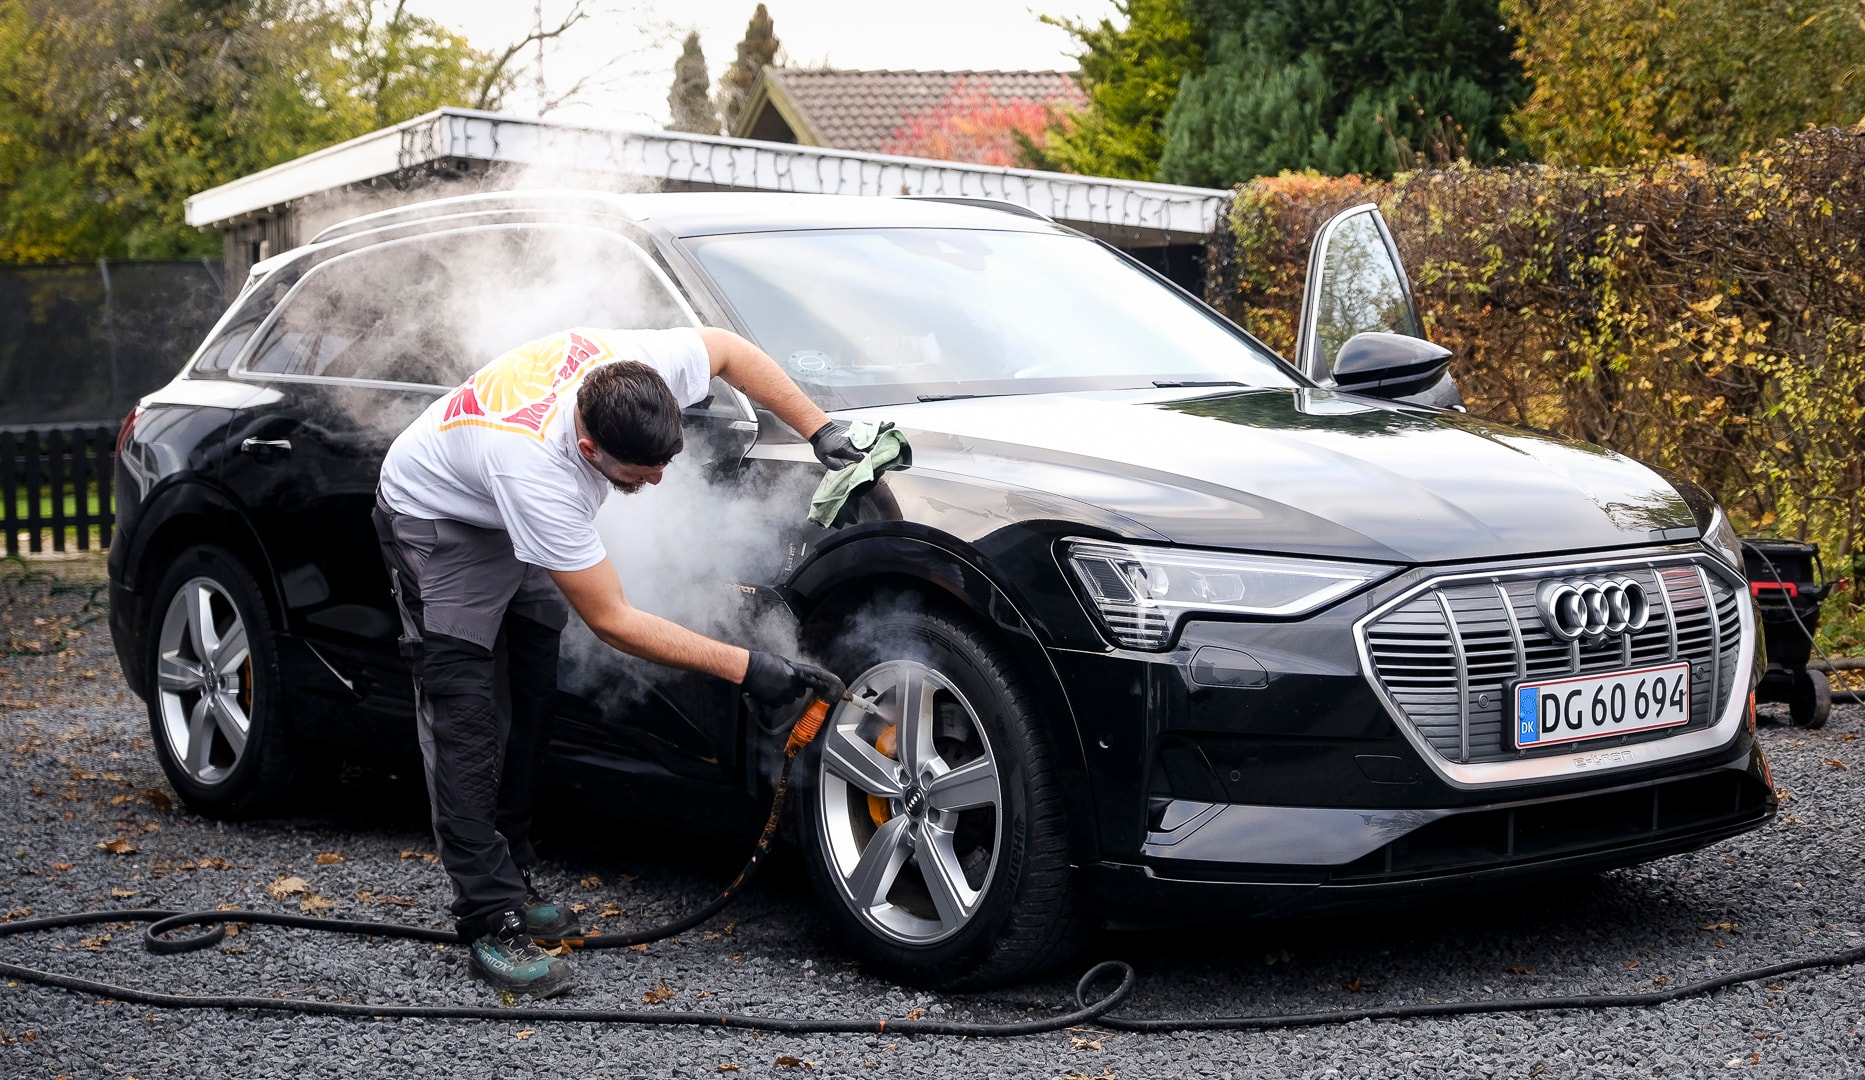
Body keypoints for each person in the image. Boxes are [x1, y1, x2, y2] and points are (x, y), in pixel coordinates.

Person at [372, 323, 860, 998]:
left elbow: (727, 348)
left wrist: (819, 428)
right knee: (465, 714)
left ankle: (514, 870)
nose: (658, 480)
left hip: (505, 496)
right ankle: (488, 914)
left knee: (532, 689)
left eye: (665, 462)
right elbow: (612, 621)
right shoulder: (535, 471)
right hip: (441, 521)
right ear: (589, 448)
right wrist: (749, 669)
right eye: (641, 471)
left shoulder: (635, 370)